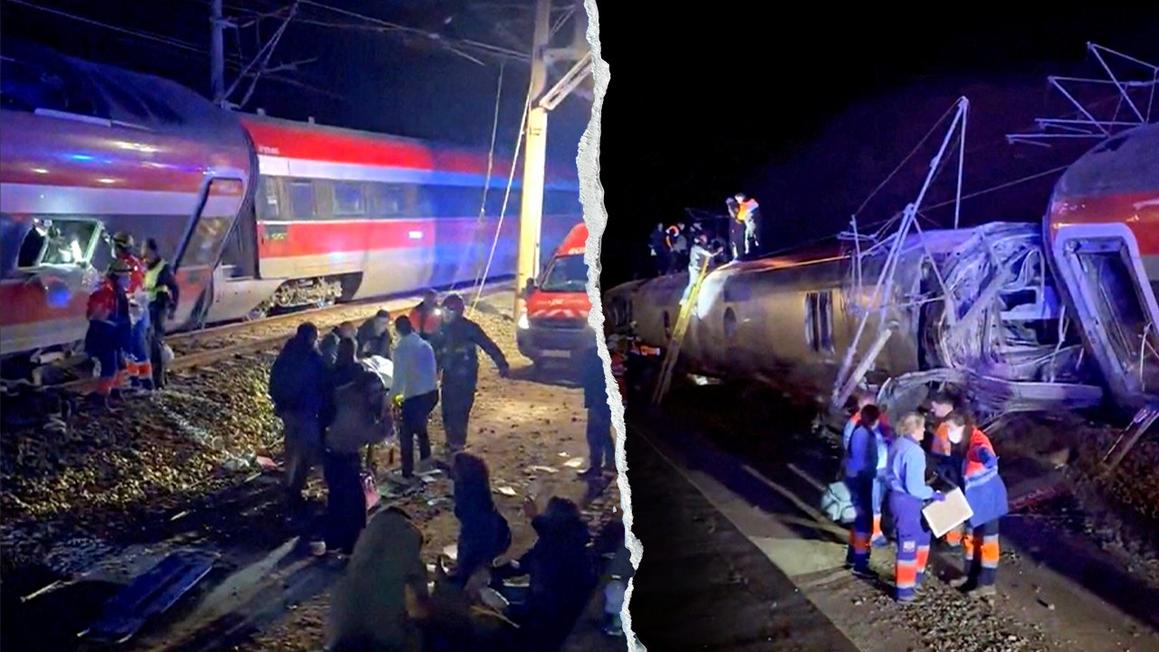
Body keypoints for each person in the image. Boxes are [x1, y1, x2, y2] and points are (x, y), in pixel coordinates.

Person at [494, 497, 596, 650]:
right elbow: (523, 564)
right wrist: (493, 571)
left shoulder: (561, 551)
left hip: (549, 617)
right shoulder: (568, 543)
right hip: (545, 607)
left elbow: (549, 554)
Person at [318, 338, 390, 554]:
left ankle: (332, 541)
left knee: (336, 499)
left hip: (330, 452)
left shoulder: (344, 394)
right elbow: (375, 435)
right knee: (355, 503)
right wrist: (387, 418)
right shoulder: (360, 413)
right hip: (345, 456)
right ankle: (352, 545)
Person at [326, 507, 429, 652]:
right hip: (381, 635)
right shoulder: (408, 538)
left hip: (341, 631)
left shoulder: (365, 544)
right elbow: (422, 601)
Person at [943, 411, 1009, 598]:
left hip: (988, 501)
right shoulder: (966, 443)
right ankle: (970, 576)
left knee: (988, 542)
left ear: (962, 427)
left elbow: (986, 456)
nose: (948, 432)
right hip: (975, 501)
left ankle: (986, 583)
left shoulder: (978, 442)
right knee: (972, 539)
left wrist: (988, 459)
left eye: (950, 428)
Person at [437, 294, 510, 454]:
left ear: (458, 313)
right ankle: (451, 441)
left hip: (466, 377)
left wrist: (502, 364)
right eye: (444, 311)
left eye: (450, 311)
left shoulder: (469, 328)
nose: (445, 315)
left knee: (461, 409)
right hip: (449, 375)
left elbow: (487, 344)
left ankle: (458, 443)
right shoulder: (441, 328)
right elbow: (435, 350)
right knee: (447, 409)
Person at [269, 323, 328, 518]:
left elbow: (274, 379)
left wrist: (279, 402)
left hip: (287, 410)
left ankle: (288, 481)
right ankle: (296, 489)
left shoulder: (286, 354)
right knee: (306, 451)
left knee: (290, 447)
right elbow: (323, 384)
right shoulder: (315, 358)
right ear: (312, 337)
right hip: (306, 412)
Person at [886, 412, 945, 602]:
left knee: (921, 537)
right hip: (908, 502)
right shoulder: (915, 452)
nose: (924, 431)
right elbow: (914, 487)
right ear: (913, 428)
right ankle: (904, 591)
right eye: (921, 427)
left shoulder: (898, 443)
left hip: (897, 498)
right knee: (909, 545)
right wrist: (933, 494)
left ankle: (913, 580)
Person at [389, 316, 440, 481]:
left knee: (406, 433)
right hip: (431, 393)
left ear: (397, 331)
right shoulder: (425, 344)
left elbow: (399, 379)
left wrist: (391, 398)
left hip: (415, 397)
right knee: (421, 426)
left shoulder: (401, 349)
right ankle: (425, 461)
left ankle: (407, 471)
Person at [450, 452, 512, 583]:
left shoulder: (470, 499)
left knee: (470, 572)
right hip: (494, 533)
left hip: (483, 537)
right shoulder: (478, 486)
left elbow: (475, 538)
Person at [844, 393, 890, 546]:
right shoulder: (856, 425)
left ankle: (868, 536)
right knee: (871, 504)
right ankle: (870, 537)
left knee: (877, 503)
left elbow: (886, 438)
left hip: (880, 469)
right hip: (868, 473)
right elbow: (851, 449)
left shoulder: (876, 421)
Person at [85, 260, 134, 406]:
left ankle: (115, 392)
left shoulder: (116, 290)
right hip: (105, 334)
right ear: (117, 276)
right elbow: (96, 314)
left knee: (120, 364)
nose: (128, 279)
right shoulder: (105, 291)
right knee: (110, 366)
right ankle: (101, 397)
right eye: (126, 276)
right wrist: (111, 319)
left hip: (115, 333)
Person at [111, 232, 153, 391]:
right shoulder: (128, 264)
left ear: (119, 247)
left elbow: (132, 292)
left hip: (135, 314)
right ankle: (135, 381)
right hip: (131, 313)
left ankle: (146, 384)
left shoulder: (130, 267)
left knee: (137, 347)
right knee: (129, 348)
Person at [844, 404, 882, 578]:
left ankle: (853, 557)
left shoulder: (860, 431)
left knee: (860, 521)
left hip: (858, 480)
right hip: (861, 481)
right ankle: (860, 563)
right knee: (863, 523)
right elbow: (860, 461)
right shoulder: (864, 434)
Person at [928, 388, 964, 547]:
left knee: (950, 500)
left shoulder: (946, 427)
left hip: (948, 469)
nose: (931, 410)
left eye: (934, 407)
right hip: (951, 468)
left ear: (945, 406)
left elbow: (946, 450)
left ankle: (951, 541)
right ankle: (952, 539)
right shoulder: (958, 421)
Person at [142, 238, 179, 389]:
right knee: (146, 341)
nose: (142, 251)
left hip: (158, 307)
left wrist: (173, 308)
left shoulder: (164, 268)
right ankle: (149, 375)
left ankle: (159, 379)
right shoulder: (145, 266)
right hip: (145, 307)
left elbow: (175, 288)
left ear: (151, 250)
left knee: (155, 342)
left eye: (144, 248)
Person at [580, 344, 615, 478]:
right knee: (602, 432)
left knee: (596, 434)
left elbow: (594, 379)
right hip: (601, 398)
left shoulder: (596, 355)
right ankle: (607, 464)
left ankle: (598, 467)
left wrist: (593, 401)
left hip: (600, 399)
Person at [679, 231, 719, 306]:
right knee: (692, 283)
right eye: (704, 238)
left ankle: (696, 299)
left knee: (699, 284)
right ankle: (684, 299)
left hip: (700, 269)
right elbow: (710, 254)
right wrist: (718, 251)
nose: (706, 240)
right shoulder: (696, 247)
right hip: (695, 269)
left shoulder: (702, 247)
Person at [731, 193, 762, 258]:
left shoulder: (744, 205)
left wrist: (736, 215)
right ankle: (758, 251)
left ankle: (750, 253)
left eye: (738, 199)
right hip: (757, 222)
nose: (737, 201)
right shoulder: (753, 201)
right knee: (756, 237)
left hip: (751, 224)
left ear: (741, 198)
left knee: (749, 237)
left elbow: (740, 217)